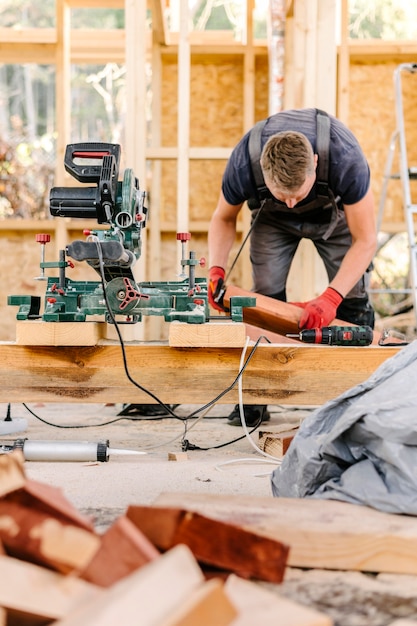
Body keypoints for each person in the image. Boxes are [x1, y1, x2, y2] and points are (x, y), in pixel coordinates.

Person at [208, 107, 377, 427]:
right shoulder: (245, 161)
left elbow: (365, 240)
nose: (291, 204)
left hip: (336, 218)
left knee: (352, 298)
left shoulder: (345, 156)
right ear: (262, 170)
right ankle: (257, 393)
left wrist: (331, 298)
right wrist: (216, 270)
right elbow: (223, 218)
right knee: (266, 299)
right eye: (282, 194)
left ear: (314, 163)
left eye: (296, 195)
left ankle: (361, 392)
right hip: (271, 222)